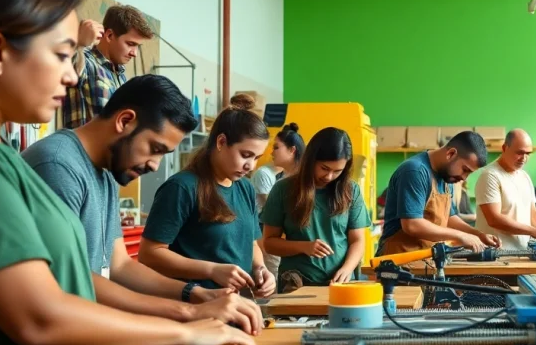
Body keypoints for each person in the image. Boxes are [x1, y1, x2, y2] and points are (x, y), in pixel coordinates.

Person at [0, 0, 259, 345]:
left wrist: (190, 304)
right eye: (60, 54)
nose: (73, 75)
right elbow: (41, 314)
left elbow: (108, 269)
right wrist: (183, 324)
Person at [23, 74, 264, 345]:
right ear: (125, 120)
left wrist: (196, 294)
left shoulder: (103, 173)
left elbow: (119, 266)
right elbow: (67, 280)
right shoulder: (57, 166)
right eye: (155, 149)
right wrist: (186, 315)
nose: (155, 165)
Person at [140, 95, 276, 297]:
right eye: (245, 155)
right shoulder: (182, 188)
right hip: (191, 308)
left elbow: (252, 243)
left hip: (235, 309)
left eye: (256, 158)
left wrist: (260, 268)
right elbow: (150, 254)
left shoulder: (245, 188)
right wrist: (211, 270)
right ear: (221, 142)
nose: (251, 166)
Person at [261, 128, 370, 287]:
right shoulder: (283, 189)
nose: (329, 176)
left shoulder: (351, 190)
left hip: (341, 284)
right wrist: (304, 247)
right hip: (296, 285)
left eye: (337, 171)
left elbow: (358, 240)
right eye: (324, 168)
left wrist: (347, 269)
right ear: (311, 160)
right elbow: (269, 243)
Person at [377, 130, 500, 256]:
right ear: (451, 154)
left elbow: (449, 218)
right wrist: (461, 236)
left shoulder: (446, 177)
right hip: (398, 261)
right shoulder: (415, 171)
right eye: (465, 170)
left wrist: (478, 234)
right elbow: (412, 224)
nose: (464, 178)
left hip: (426, 259)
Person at [61, 4, 154, 129]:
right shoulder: (86, 62)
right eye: (130, 44)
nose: (134, 53)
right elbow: (63, 68)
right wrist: (79, 43)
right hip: (80, 148)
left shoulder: (121, 77)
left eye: (138, 46)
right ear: (109, 35)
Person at [474, 129, 536, 250]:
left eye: (528, 154)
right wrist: (533, 231)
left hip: (522, 252)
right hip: (497, 254)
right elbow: (494, 219)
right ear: (504, 148)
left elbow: (533, 213)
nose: (524, 158)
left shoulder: (524, 177)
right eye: (519, 153)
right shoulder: (490, 176)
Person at [252, 122, 306, 281]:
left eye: (276, 147)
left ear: (292, 150)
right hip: (277, 242)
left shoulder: (302, 182)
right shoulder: (282, 180)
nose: (272, 152)